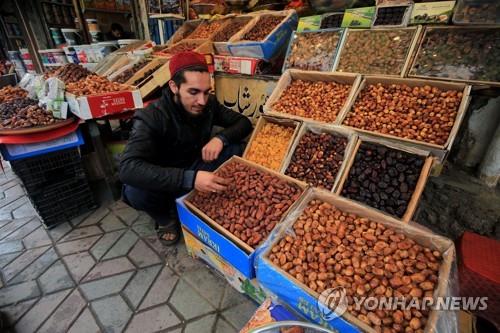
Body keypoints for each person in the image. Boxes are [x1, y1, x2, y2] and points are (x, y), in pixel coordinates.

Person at [119, 51, 253, 246]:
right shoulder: (151, 117)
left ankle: (197, 202)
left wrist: (220, 139)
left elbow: (243, 123)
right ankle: (166, 219)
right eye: (193, 92)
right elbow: (127, 168)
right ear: (174, 86)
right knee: (135, 191)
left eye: (206, 92)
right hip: (164, 180)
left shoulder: (208, 105)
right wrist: (189, 178)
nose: (202, 101)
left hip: (196, 166)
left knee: (235, 148)